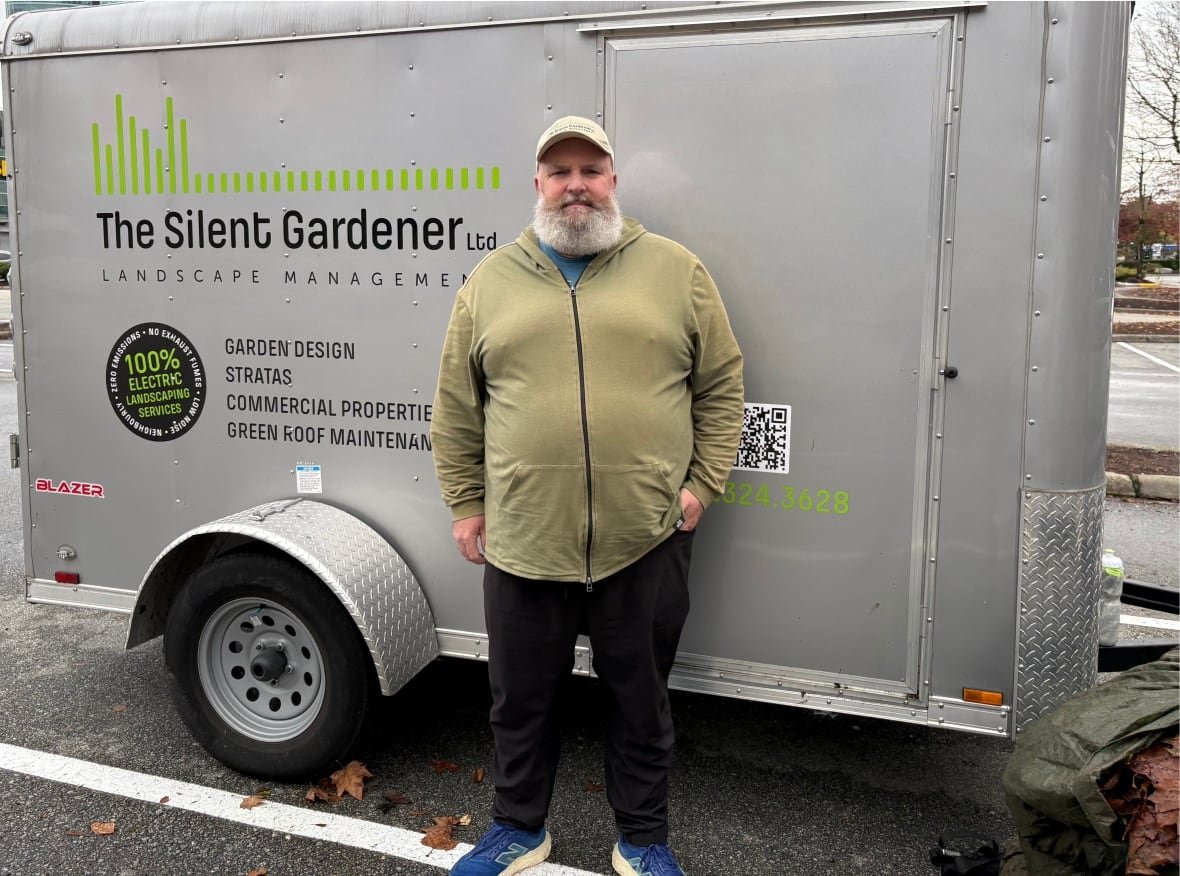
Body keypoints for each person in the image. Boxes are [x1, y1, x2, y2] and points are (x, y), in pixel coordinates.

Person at [431, 115, 744, 876]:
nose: (576, 185)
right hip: (524, 539)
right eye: (560, 171)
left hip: (645, 540)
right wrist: (466, 502)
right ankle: (517, 829)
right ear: (537, 186)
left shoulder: (675, 271)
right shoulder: (490, 282)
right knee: (520, 703)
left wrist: (703, 483)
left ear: (613, 183)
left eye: (591, 170)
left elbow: (722, 384)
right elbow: (456, 404)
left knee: (641, 703)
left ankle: (641, 839)